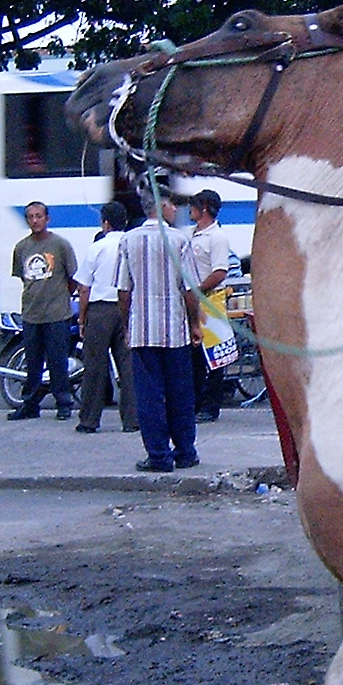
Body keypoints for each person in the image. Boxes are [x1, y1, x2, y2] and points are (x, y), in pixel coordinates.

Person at [117, 186, 202, 472]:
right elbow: (189, 289)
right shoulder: (179, 241)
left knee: (149, 395)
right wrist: (194, 323)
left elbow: (124, 290)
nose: (175, 210)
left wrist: (128, 324)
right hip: (174, 329)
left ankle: (158, 455)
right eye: (172, 205)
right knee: (180, 393)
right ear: (162, 207)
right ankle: (185, 451)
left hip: (143, 330)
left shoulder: (128, 241)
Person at [7, 200, 78, 421]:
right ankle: (30, 404)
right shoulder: (21, 247)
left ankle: (63, 403)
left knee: (58, 361)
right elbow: (23, 276)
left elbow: (72, 278)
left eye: (39, 216)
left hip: (57, 313)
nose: (35, 220)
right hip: (31, 313)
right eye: (31, 217)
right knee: (33, 362)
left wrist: (61, 297)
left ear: (47, 219)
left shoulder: (60, 245)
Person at [73, 200, 137, 434]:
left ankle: (89, 419)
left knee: (95, 366)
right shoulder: (132, 244)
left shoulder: (97, 247)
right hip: (128, 308)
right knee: (128, 366)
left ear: (105, 223)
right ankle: (132, 419)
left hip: (100, 310)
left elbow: (84, 288)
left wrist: (82, 317)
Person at [186, 189, 234, 422]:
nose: (189, 210)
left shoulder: (217, 237)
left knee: (213, 355)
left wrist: (199, 290)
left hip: (209, 299)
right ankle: (195, 401)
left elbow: (220, 271)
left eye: (193, 206)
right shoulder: (193, 235)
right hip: (193, 301)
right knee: (194, 355)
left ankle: (211, 405)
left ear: (204, 208)